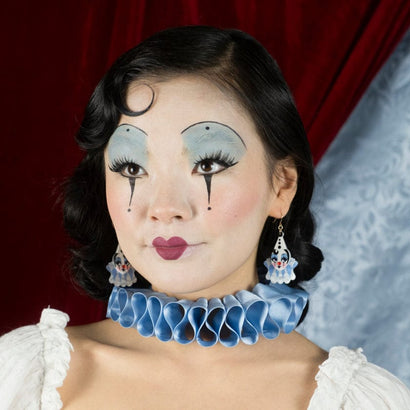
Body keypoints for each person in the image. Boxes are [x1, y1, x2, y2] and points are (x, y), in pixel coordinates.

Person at [1, 25, 409, 410]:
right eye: (131, 168)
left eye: (208, 164)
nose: (164, 207)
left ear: (282, 186)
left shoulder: (356, 400)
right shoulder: (26, 376)